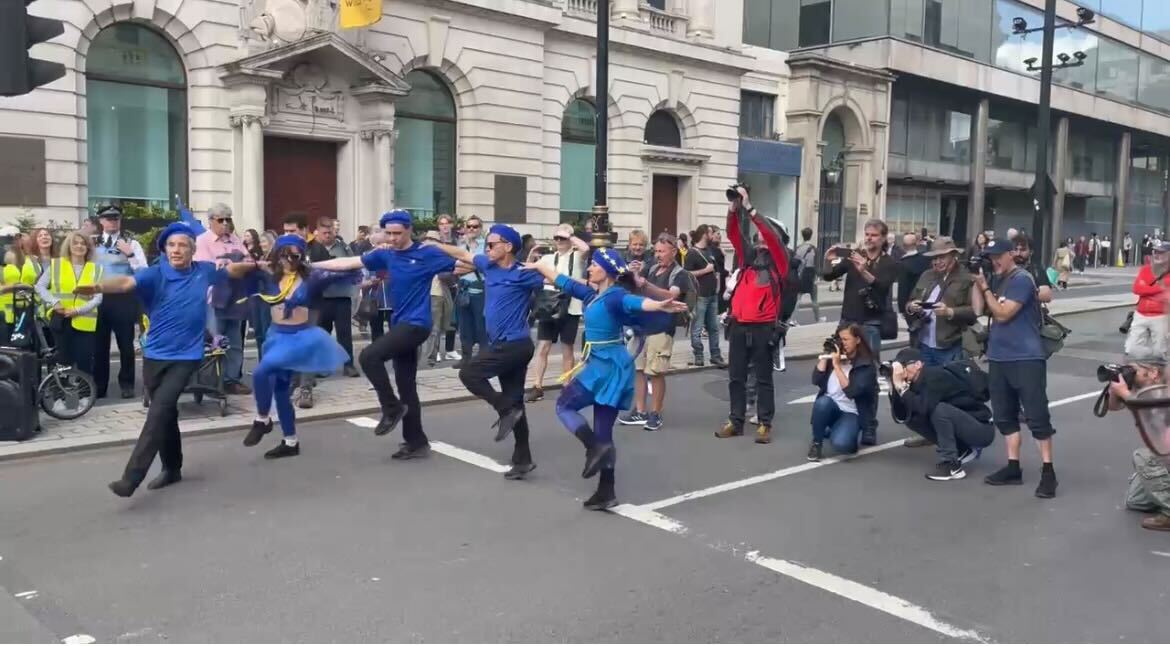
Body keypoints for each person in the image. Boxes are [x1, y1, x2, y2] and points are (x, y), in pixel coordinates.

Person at [78, 222, 255, 497]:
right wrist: (97, 287)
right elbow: (126, 282)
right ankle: (172, 468)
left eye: (183, 245)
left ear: (192, 250)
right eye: (171, 245)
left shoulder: (204, 272)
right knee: (167, 414)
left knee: (158, 410)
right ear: (164, 249)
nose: (176, 249)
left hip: (187, 356)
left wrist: (252, 265)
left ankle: (131, 478)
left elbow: (231, 270)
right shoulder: (155, 274)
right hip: (155, 355)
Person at [523, 247, 686, 509]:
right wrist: (538, 267)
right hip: (609, 363)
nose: (589, 269)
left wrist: (657, 305)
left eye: (594, 266)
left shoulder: (614, 296)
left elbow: (633, 302)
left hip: (607, 366)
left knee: (564, 405)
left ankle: (593, 448)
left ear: (607, 271)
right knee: (603, 431)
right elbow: (562, 280)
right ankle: (606, 491)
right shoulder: (592, 295)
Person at [313, 210, 459, 459]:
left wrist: (486, 263)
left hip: (417, 325)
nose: (392, 238)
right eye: (388, 233)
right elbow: (349, 262)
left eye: (397, 234)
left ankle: (391, 408)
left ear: (409, 230)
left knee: (369, 357)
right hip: (399, 323)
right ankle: (416, 441)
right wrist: (310, 266)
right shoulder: (386, 255)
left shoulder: (426, 253)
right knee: (406, 384)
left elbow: (462, 263)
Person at [427, 224, 545, 479]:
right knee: (515, 400)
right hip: (501, 343)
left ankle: (504, 409)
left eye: (492, 244)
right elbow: (462, 254)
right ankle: (523, 459)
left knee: (469, 374)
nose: (487, 248)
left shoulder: (524, 274)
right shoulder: (488, 266)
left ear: (508, 247)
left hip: (515, 344)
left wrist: (543, 265)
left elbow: (552, 280)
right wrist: (435, 245)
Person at [242, 235, 354, 458]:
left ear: (302, 256)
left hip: (300, 337)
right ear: (277, 254)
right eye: (284, 254)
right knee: (281, 390)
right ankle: (291, 441)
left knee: (261, 372)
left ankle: (262, 419)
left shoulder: (311, 278)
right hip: (276, 336)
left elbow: (346, 268)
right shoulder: (269, 276)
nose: (289, 260)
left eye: (295, 255)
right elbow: (236, 269)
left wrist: (377, 255)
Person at [975, 239, 1057, 497]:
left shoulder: (1021, 279)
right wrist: (976, 283)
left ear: (1011, 254)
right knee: (1004, 414)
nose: (994, 261)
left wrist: (986, 289)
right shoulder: (997, 279)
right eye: (990, 257)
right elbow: (979, 309)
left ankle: (1048, 472)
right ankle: (1013, 467)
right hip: (999, 357)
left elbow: (1002, 313)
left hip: (1026, 357)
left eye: (998, 255)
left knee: (1036, 415)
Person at [716, 186, 789, 444]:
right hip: (739, 325)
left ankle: (765, 423)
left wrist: (750, 207)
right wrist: (733, 209)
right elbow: (733, 234)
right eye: (757, 236)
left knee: (763, 377)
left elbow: (770, 235)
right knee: (735, 376)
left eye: (763, 237)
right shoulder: (748, 260)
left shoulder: (780, 260)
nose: (759, 239)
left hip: (763, 327)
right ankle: (736, 421)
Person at [823, 219, 897, 445]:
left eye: (874, 235)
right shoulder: (854, 257)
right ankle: (835, 418)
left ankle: (868, 426)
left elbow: (882, 287)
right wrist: (828, 260)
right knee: (836, 368)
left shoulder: (888, 262)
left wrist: (864, 270)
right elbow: (828, 275)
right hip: (847, 321)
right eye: (867, 234)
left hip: (870, 325)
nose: (869, 238)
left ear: (883, 238)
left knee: (867, 377)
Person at [619, 233, 690, 431]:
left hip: (661, 328)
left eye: (662, 251)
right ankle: (640, 411)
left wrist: (645, 284)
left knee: (656, 372)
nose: (658, 255)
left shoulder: (679, 273)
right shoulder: (651, 268)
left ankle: (656, 413)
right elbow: (637, 291)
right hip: (642, 326)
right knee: (639, 369)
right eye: (656, 251)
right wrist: (632, 276)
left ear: (673, 252)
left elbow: (670, 295)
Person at [888, 348, 993, 480]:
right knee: (912, 416)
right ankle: (962, 450)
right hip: (965, 422)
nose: (900, 371)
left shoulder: (935, 377)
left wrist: (902, 388)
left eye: (903, 365)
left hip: (981, 428)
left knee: (939, 410)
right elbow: (901, 415)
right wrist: (894, 387)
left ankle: (952, 466)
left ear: (918, 364)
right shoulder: (915, 382)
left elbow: (923, 407)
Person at [1103, 347, 1170, 531]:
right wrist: (1115, 389)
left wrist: (1126, 393)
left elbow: (1154, 414)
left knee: (1144, 457)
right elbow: (1113, 407)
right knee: (1136, 500)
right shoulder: (1146, 388)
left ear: (1154, 372)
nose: (1129, 374)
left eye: (1133, 370)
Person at [527, 224, 590, 403]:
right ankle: (537, 385)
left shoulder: (577, 256)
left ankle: (567, 385)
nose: (559, 241)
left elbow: (586, 247)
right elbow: (529, 267)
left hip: (571, 307)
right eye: (557, 237)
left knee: (567, 347)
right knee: (543, 346)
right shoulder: (548, 258)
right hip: (550, 306)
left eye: (562, 238)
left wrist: (569, 235)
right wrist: (531, 254)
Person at [194, 203, 252, 395]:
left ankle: (231, 379)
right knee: (214, 339)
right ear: (211, 221)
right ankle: (212, 381)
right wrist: (228, 264)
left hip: (235, 296)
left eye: (228, 219)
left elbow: (248, 261)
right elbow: (207, 269)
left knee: (235, 341)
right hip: (214, 298)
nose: (226, 223)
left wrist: (241, 263)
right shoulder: (202, 241)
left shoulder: (235, 240)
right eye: (221, 220)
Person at [92, 205, 149, 399]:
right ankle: (99, 386)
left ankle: (127, 383)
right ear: (101, 221)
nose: (112, 221)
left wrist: (130, 255)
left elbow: (143, 272)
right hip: (99, 299)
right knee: (99, 346)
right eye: (108, 218)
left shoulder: (131, 243)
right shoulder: (93, 244)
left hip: (124, 298)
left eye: (116, 218)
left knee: (126, 344)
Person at [35, 230, 102, 375]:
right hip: (61, 319)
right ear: (69, 246)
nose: (79, 246)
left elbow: (98, 298)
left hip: (85, 321)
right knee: (62, 361)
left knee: (85, 360)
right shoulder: (57, 265)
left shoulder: (96, 269)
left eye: (83, 243)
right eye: (75, 243)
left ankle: (85, 394)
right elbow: (39, 287)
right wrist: (54, 302)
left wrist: (77, 311)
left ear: (88, 248)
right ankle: (59, 395)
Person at [905, 237, 981, 366]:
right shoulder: (926, 275)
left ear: (953, 255)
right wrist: (911, 307)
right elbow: (910, 301)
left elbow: (975, 312)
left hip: (950, 347)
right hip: (922, 344)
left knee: (948, 384)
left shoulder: (967, 278)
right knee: (925, 384)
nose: (937, 262)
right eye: (934, 258)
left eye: (942, 257)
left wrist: (949, 312)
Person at [807, 323, 878, 461]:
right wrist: (825, 356)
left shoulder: (866, 365)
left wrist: (837, 367)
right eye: (840, 339)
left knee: (842, 444)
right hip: (830, 406)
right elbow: (816, 380)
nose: (842, 343)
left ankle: (839, 431)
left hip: (852, 412)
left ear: (857, 340)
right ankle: (816, 443)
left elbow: (852, 391)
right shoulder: (835, 357)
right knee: (822, 402)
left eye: (846, 340)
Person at [306, 215, 359, 378]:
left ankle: (348, 365)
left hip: (341, 297)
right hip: (320, 298)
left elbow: (354, 266)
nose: (328, 235)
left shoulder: (344, 248)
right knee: (322, 334)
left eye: (330, 232)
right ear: (317, 232)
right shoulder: (311, 249)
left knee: (344, 333)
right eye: (325, 233)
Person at [685, 224, 726, 368]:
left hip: (712, 294)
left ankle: (716, 355)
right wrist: (705, 270)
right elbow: (687, 274)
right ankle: (699, 355)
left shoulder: (710, 251)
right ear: (704, 234)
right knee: (697, 327)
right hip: (700, 295)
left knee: (714, 328)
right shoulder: (692, 253)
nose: (713, 235)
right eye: (710, 233)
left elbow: (718, 269)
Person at [1127, 240, 1170, 358]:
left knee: (1160, 351)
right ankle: (1148, 361)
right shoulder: (1145, 269)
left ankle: (1157, 370)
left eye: (1161, 252)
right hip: (1141, 314)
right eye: (1155, 252)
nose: (1156, 254)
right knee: (1131, 348)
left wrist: (1145, 288)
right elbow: (1136, 289)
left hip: (1160, 316)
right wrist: (1159, 288)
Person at [454, 216, 488, 366]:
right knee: (464, 325)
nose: (472, 229)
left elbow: (485, 266)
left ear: (480, 228)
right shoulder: (461, 246)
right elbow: (454, 268)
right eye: (469, 226)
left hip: (480, 290)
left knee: (481, 325)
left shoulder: (486, 246)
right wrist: (474, 265)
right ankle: (466, 357)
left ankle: (484, 356)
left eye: (475, 226)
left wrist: (469, 266)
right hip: (463, 289)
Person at [896, 233, 930, 346]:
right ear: (917, 244)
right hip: (926, 300)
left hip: (911, 303)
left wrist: (902, 308)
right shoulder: (925, 259)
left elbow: (903, 288)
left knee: (914, 332)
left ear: (904, 246)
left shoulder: (903, 263)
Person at [793, 227, 822, 322]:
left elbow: (795, 262)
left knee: (797, 299)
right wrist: (818, 276)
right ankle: (818, 319)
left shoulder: (798, 248)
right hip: (811, 274)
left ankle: (793, 320)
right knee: (814, 300)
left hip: (801, 274)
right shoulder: (814, 249)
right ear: (811, 235)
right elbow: (817, 264)